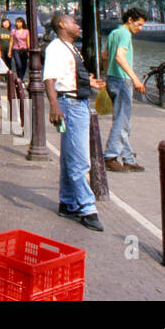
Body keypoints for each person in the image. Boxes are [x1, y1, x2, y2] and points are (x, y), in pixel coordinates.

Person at [44, 12, 105, 231]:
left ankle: (68, 201)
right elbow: (49, 78)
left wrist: (88, 83)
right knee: (80, 158)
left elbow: (67, 75)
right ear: (62, 24)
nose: (78, 25)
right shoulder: (55, 48)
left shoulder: (69, 48)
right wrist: (54, 105)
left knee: (70, 155)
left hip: (76, 102)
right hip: (70, 104)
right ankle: (87, 208)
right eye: (73, 22)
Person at [103, 7, 147, 173]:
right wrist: (135, 79)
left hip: (112, 79)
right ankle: (110, 156)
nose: (140, 28)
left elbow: (105, 55)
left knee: (122, 120)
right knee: (122, 121)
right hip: (122, 81)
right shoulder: (125, 34)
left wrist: (107, 75)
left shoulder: (114, 33)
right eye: (139, 24)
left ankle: (128, 159)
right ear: (130, 20)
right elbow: (119, 57)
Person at [10, 17, 31, 83]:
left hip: (24, 49)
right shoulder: (14, 31)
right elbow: (11, 41)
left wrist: (28, 50)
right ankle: (20, 79)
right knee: (18, 64)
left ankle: (21, 78)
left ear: (22, 23)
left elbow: (28, 42)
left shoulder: (26, 31)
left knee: (24, 65)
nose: (18, 23)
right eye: (17, 22)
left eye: (20, 22)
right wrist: (9, 51)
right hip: (16, 49)